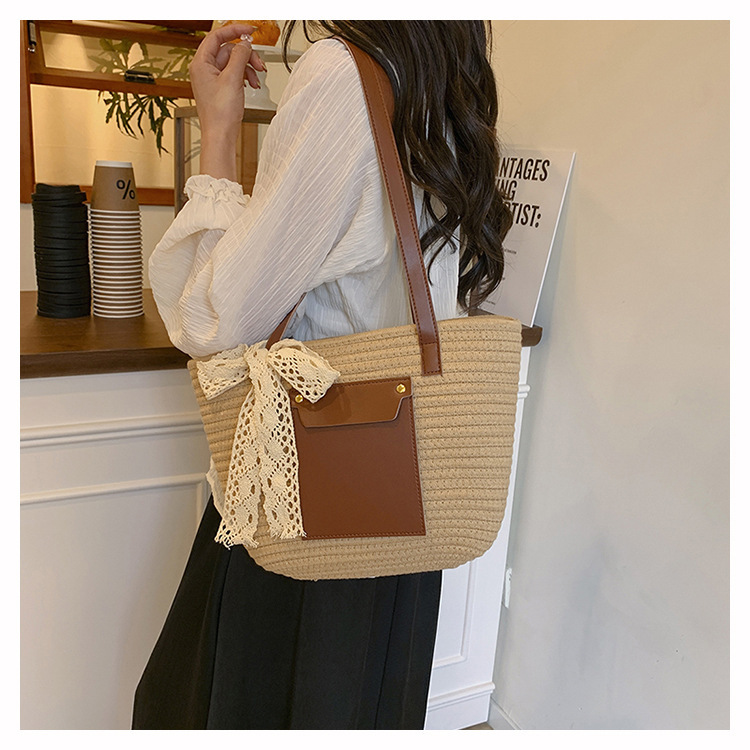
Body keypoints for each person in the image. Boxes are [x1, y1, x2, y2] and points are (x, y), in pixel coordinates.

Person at [132, 20, 512, 730]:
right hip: (403, 507)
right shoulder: (445, 78)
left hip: (306, 494)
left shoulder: (341, 75)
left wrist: (219, 130)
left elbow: (214, 320)